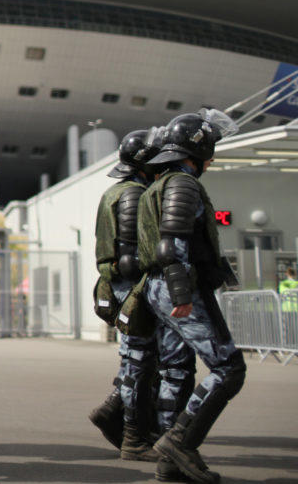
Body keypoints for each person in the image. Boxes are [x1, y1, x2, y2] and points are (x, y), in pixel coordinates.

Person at [136, 110, 246, 484]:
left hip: (160, 289)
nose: (212, 160)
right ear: (196, 151)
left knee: (176, 371)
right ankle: (179, 443)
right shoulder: (182, 184)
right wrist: (182, 293)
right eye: (210, 151)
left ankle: (170, 462)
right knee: (229, 369)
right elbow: (171, 245)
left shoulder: (158, 184)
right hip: (177, 289)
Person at [88, 129, 169, 462]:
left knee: (136, 357)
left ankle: (114, 411)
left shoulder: (115, 191)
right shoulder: (135, 194)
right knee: (140, 360)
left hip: (120, 284)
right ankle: (133, 437)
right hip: (133, 286)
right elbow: (133, 253)